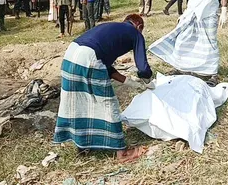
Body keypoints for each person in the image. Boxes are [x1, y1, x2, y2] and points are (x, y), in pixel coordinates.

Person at [53, 14, 153, 161]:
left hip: (71, 55)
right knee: (107, 103)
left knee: (79, 101)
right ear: (139, 26)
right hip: (90, 57)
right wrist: (148, 81)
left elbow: (105, 65)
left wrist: (128, 81)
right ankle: (122, 153)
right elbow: (143, 68)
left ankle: (82, 146)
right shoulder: (135, 33)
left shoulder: (111, 29)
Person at [149, 0, 228, 86]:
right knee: (182, 40)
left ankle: (213, 74)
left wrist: (224, 11)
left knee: (210, 43)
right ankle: (181, 67)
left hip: (208, 13)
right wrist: (185, 13)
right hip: (192, 13)